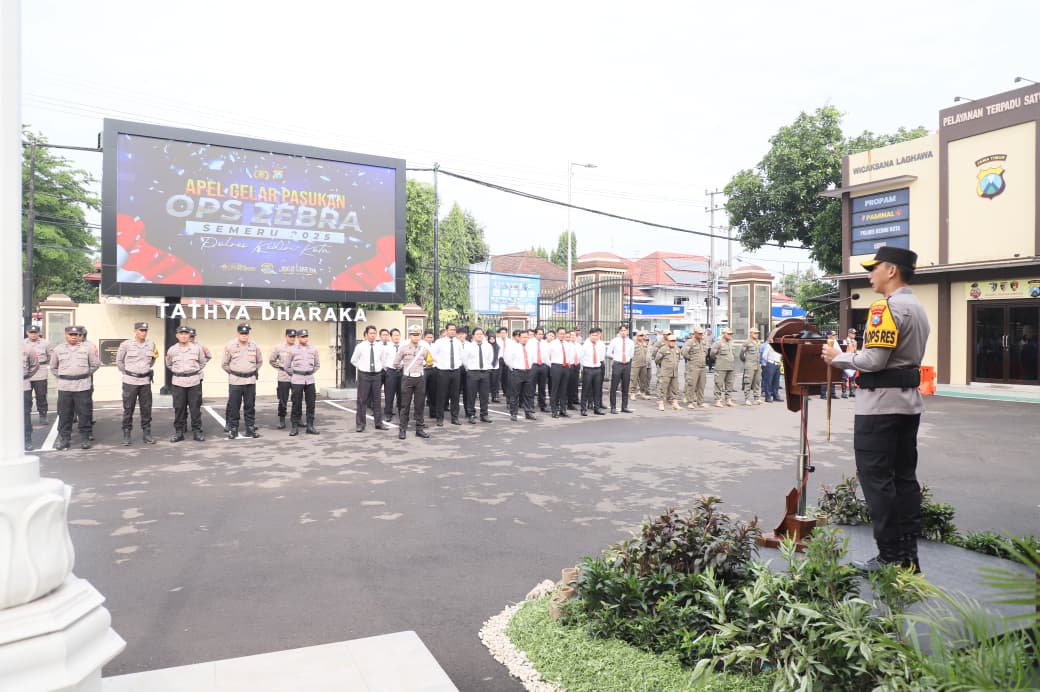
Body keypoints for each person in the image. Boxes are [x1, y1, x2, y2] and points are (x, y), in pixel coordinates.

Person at [822, 246, 929, 574]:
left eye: (874, 268)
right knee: (904, 479)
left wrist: (837, 358)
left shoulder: (885, 307)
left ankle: (889, 556)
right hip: (907, 405)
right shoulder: (918, 307)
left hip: (879, 407)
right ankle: (907, 556)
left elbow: (874, 360)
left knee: (877, 480)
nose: (870, 274)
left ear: (891, 270)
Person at [51, 325, 100, 450]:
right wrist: (64, 376)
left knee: (84, 413)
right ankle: (64, 439)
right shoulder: (58, 349)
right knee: (64, 414)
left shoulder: (88, 348)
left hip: (82, 386)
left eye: (76, 335)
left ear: (79, 336)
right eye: (71, 334)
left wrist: (84, 374)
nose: (73, 337)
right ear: (65, 335)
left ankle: (85, 438)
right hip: (65, 387)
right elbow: (53, 367)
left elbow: (95, 364)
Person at [116, 321, 159, 445]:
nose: (143, 333)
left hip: (145, 381)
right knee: (128, 408)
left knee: (146, 408)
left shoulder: (151, 344)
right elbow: (119, 361)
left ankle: (147, 433)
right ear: (135, 331)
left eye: (145, 330)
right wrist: (129, 373)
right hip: (130, 381)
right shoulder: (126, 344)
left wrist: (144, 370)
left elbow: (153, 359)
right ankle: (126, 434)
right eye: (141, 330)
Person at [166, 325, 209, 442]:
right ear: (177, 335)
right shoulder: (172, 350)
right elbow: (169, 364)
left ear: (189, 335)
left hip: (194, 382)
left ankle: (197, 432)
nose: (184, 336)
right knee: (179, 408)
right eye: (181, 333)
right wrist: (179, 372)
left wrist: (193, 372)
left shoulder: (197, 349)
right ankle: (179, 432)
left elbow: (202, 362)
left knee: (195, 408)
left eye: (186, 333)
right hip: (178, 382)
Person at [222, 323, 263, 439]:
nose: (244, 335)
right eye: (242, 333)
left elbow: (259, 361)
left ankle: (250, 428)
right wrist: (235, 373)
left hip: (250, 381)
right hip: (236, 381)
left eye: (246, 333)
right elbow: (224, 364)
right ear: (238, 333)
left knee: (250, 406)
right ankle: (233, 429)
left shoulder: (254, 345)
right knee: (234, 407)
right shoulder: (230, 346)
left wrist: (252, 370)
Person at [393, 325, 432, 439]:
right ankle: (402, 429)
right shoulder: (403, 349)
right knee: (405, 405)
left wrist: (425, 365)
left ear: (420, 336)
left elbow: (430, 362)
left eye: (417, 335)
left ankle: (419, 429)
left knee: (420, 405)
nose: (415, 337)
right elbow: (395, 363)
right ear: (410, 336)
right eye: (413, 335)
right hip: (408, 378)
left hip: (420, 379)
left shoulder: (424, 349)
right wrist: (405, 368)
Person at [349, 325, 387, 433]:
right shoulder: (360, 346)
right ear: (366, 334)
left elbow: (383, 360)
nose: (373, 335)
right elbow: (353, 360)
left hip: (377, 375)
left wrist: (379, 368)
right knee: (362, 400)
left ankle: (379, 423)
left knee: (377, 400)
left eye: (374, 333)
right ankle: (360, 424)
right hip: (364, 375)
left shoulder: (380, 346)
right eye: (370, 333)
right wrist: (361, 367)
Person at [286, 328, 321, 436]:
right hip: (297, 379)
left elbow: (317, 364)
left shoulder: (313, 349)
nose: (305, 338)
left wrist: (309, 372)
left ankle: (310, 426)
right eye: (302, 336)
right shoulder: (292, 350)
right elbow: (287, 366)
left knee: (311, 403)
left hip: (310, 379)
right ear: (298, 338)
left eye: (306, 336)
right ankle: (294, 427)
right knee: (296, 403)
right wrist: (296, 373)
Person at [432, 323, 464, 426]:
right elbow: (433, 354)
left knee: (455, 395)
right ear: (446, 331)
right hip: (443, 371)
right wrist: (441, 363)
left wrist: (458, 364)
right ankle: (439, 418)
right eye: (451, 330)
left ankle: (455, 417)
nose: (453, 331)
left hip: (455, 371)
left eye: (454, 330)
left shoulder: (458, 342)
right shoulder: (439, 342)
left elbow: (461, 355)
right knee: (441, 395)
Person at [463, 327, 495, 424]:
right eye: (477, 334)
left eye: (481, 334)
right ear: (473, 336)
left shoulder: (488, 346)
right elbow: (464, 359)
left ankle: (484, 414)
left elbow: (490, 358)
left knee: (484, 395)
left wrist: (487, 368)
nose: (479, 336)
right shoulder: (469, 346)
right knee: (471, 395)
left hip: (484, 372)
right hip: (473, 372)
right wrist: (469, 369)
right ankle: (471, 414)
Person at [504, 329, 536, 421]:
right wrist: (514, 368)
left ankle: (528, 412)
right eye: (523, 337)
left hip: (528, 372)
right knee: (515, 394)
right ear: (519, 337)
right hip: (517, 372)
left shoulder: (530, 348)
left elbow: (532, 359)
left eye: (527, 337)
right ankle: (514, 413)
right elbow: (507, 359)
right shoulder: (513, 347)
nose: (525, 339)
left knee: (528, 394)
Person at [269, 329, 298, 429]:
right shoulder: (279, 347)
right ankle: (282, 420)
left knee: (297, 399)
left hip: (296, 377)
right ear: (286, 336)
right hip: (283, 377)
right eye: (290, 336)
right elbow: (272, 360)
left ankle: (297, 419)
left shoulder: (299, 347)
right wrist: (281, 367)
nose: (292, 338)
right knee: (283, 400)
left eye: (294, 336)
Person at [24, 325, 53, 423]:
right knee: (26, 397)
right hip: (26, 374)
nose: (33, 334)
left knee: (41, 396)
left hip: (40, 372)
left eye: (35, 332)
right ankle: (26, 417)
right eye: (31, 332)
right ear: (27, 333)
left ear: (38, 333)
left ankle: (43, 415)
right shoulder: (22, 343)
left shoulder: (45, 343)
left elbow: (50, 357)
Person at [606, 325, 634, 414]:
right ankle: (613, 407)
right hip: (617, 364)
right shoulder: (614, 341)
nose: (623, 332)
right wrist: (617, 357)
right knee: (614, 387)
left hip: (627, 365)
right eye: (621, 330)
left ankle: (624, 407)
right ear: (619, 331)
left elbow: (631, 354)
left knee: (625, 386)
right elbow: (608, 353)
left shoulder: (631, 342)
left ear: (627, 331)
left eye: (625, 330)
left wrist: (626, 359)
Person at [579, 327, 606, 415]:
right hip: (588, 369)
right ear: (589, 335)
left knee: (597, 390)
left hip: (597, 369)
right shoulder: (585, 346)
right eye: (593, 335)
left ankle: (597, 408)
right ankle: (583, 409)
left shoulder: (600, 345)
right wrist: (584, 368)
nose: (595, 337)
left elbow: (601, 358)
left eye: (596, 335)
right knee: (585, 390)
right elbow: (580, 358)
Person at [681, 326, 710, 409]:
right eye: (699, 333)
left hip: (702, 366)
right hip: (693, 366)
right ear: (695, 333)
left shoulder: (703, 342)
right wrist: (691, 359)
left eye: (702, 333)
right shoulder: (690, 342)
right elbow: (684, 352)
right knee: (692, 385)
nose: (701, 335)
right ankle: (690, 402)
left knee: (701, 385)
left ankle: (700, 402)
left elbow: (705, 352)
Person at [547, 327, 573, 418]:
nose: (562, 335)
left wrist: (568, 364)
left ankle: (563, 410)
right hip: (556, 366)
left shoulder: (567, 344)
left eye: (564, 333)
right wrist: (553, 366)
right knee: (555, 389)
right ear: (557, 334)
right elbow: (546, 357)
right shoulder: (552, 344)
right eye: (561, 333)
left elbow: (570, 355)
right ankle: (554, 410)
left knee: (563, 390)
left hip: (565, 367)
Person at [711, 327, 737, 407]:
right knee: (719, 383)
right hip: (721, 367)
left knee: (730, 384)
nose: (730, 335)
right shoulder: (718, 343)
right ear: (723, 334)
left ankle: (728, 399)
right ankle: (717, 400)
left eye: (731, 334)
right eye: (728, 334)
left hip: (731, 366)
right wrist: (719, 360)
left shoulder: (731, 343)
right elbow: (712, 354)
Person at [655, 334, 681, 410]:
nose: (673, 342)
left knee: (675, 388)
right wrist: (663, 366)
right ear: (668, 341)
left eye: (674, 341)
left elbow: (678, 359)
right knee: (662, 388)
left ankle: (674, 403)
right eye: (671, 341)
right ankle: (661, 403)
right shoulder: (663, 349)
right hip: (665, 372)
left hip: (674, 372)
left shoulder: (677, 349)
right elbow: (657, 360)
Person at [383, 328, 404, 421]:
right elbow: (383, 361)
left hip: (402, 372)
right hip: (391, 372)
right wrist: (388, 369)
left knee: (402, 394)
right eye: (395, 335)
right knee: (389, 394)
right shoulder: (386, 348)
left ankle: (402, 414)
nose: (397, 337)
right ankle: (388, 413)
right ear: (391, 337)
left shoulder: (403, 347)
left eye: (398, 335)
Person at [741, 327, 764, 405]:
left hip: (757, 365)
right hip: (750, 365)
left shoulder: (758, 342)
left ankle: (756, 398)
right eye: (755, 333)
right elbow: (741, 355)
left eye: (757, 333)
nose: (757, 334)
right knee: (748, 382)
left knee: (757, 381)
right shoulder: (746, 342)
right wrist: (747, 362)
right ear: (751, 333)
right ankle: (747, 399)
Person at [23, 342, 39, 451]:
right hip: (4, 386)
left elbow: (35, 365)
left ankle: (27, 440)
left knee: (25, 414)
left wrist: (26, 375)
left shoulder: (27, 348)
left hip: (23, 385)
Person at [631, 330, 651, 400]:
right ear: (637, 336)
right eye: (640, 335)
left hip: (643, 364)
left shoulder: (644, 343)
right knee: (634, 380)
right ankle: (632, 393)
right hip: (635, 364)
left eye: (642, 335)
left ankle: (643, 393)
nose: (641, 337)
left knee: (643, 380)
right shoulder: (633, 343)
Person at [422, 330, 438, 419]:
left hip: (433, 369)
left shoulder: (435, 346)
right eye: (428, 337)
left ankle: (433, 412)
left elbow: (437, 357)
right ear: (424, 337)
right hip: (424, 369)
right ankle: (419, 413)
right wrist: (425, 363)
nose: (430, 339)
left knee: (433, 392)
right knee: (422, 392)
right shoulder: (420, 345)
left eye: (431, 337)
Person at [840, 328, 859, 398]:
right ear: (848, 334)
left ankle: (852, 392)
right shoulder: (845, 341)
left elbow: (855, 351)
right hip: (846, 360)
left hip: (852, 360)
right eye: (852, 333)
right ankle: (844, 392)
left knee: (852, 377)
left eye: (854, 333)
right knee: (844, 377)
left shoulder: (855, 342)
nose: (854, 335)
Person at [495, 326, 511, 404]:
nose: (503, 334)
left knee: (506, 377)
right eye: (501, 333)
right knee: (498, 377)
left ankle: (506, 392)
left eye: (504, 333)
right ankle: (496, 394)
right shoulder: (497, 341)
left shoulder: (510, 341)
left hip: (507, 360)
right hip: (499, 359)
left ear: (507, 333)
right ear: (499, 334)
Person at [487, 333, 501, 401]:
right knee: (487, 383)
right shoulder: (486, 346)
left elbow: (499, 356)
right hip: (488, 367)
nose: (492, 340)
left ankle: (494, 396)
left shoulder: (498, 347)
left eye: (493, 339)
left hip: (495, 367)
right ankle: (487, 397)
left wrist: (494, 361)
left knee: (495, 382)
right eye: (490, 339)